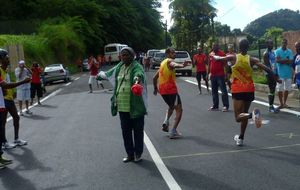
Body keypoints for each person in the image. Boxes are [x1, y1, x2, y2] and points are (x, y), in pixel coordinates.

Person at [213, 39, 274, 146]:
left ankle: (253, 115)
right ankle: (241, 138)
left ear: (239, 47)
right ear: (248, 47)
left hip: (238, 89)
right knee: (244, 114)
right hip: (249, 90)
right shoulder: (252, 59)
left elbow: (218, 59)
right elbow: (267, 69)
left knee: (238, 117)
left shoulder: (233, 57)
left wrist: (213, 55)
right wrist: (276, 78)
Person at [97, 47, 147, 163]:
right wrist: (100, 75)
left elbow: (139, 74)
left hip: (135, 106)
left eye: (127, 55)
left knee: (138, 130)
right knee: (125, 131)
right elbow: (109, 73)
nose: (124, 57)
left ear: (133, 56)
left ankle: (138, 153)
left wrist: (137, 80)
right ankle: (129, 154)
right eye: (123, 55)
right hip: (122, 106)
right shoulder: (119, 66)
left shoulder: (136, 66)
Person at [0, 49, 31, 168]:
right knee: (1, 123)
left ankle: (16, 139)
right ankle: (4, 143)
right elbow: (4, 85)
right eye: (6, 57)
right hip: (3, 100)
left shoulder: (5, 71)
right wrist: (23, 82)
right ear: (1, 59)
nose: (8, 59)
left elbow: (6, 84)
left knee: (16, 117)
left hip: (8, 99)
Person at [153, 47, 188, 139]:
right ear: (167, 54)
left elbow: (154, 78)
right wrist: (182, 66)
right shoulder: (169, 61)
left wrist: (155, 88)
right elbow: (174, 64)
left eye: (174, 52)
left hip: (163, 91)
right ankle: (173, 131)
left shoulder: (162, 63)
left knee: (171, 106)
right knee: (179, 109)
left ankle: (165, 122)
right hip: (171, 90)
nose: (174, 54)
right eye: (172, 53)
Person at [208, 42, 229, 112]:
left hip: (220, 75)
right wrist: (208, 73)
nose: (214, 47)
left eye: (216, 45)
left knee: (223, 91)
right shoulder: (211, 54)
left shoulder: (222, 54)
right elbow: (209, 64)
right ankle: (215, 105)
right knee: (214, 91)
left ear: (218, 46)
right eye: (213, 45)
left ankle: (225, 106)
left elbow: (225, 65)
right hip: (213, 75)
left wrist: (226, 75)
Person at [275, 38, 294, 109]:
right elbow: (277, 60)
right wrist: (286, 60)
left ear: (287, 43)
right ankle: (281, 104)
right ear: (281, 43)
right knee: (280, 89)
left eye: (285, 43)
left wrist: (282, 60)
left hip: (288, 74)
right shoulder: (277, 51)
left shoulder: (289, 51)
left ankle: (285, 103)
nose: (284, 44)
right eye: (283, 42)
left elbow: (291, 61)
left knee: (287, 89)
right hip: (280, 74)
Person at [263, 39, 280, 113]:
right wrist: (274, 76)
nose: (272, 45)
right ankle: (270, 107)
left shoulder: (272, 52)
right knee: (272, 89)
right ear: (267, 45)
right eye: (270, 44)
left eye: (272, 44)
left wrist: (277, 73)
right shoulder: (266, 54)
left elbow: (274, 64)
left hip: (274, 73)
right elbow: (268, 67)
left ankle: (271, 106)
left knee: (273, 89)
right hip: (269, 74)